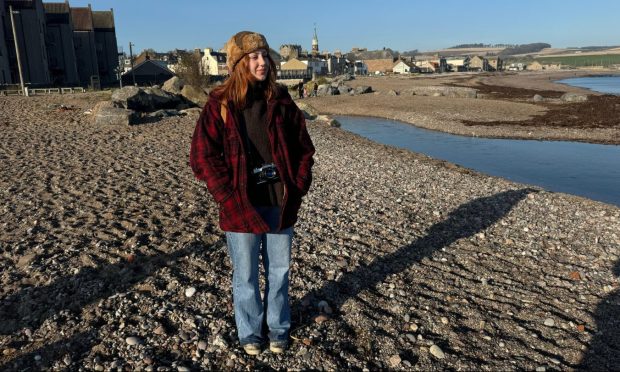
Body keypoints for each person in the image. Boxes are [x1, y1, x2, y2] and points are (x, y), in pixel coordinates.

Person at [189, 31, 315, 356]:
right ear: (238, 64)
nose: (261, 62)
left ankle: (278, 328)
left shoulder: (281, 100)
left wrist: (298, 186)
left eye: (264, 55)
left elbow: (304, 148)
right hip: (239, 206)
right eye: (253, 57)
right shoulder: (220, 104)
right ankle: (249, 332)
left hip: (280, 201)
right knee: (244, 276)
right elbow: (202, 156)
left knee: (279, 271)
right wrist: (227, 196)